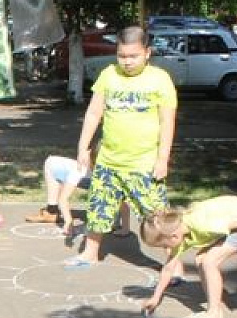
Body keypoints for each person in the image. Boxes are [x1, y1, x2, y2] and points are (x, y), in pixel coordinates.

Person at [68, 25, 177, 268]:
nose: (127, 62)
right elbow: (94, 113)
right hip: (108, 162)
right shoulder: (109, 74)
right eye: (122, 56)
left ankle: (174, 263)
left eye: (133, 56)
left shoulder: (160, 79)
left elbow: (167, 122)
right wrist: (83, 145)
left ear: (147, 53)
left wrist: (162, 159)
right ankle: (90, 252)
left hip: (144, 164)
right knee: (98, 209)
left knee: (159, 217)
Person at [140, 196, 237, 318]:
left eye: (164, 245)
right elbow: (168, 269)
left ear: (174, 236)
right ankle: (215, 302)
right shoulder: (179, 232)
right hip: (233, 217)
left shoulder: (201, 224)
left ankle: (214, 315)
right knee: (201, 259)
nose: (166, 249)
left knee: (209, 262)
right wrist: (155, 297)